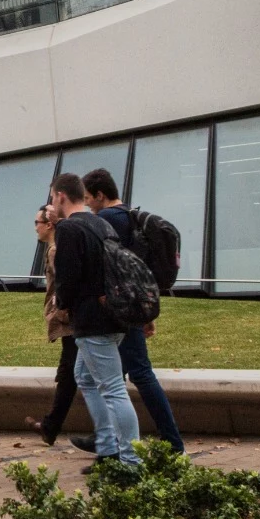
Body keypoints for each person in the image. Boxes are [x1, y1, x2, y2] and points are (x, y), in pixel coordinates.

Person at [69, 168, 185, 456]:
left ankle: (169, 444)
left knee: (136, 375)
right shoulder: (129, 217)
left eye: (88, 198)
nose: (87, 205)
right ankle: (109, 440)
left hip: (118, 310)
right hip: (132, 305)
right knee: (113, 376)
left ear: (100, 195)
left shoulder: (107, 219)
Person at [51, 171, 141, 471]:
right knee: (86, 377)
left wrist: (62, 306)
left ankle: (129, 461)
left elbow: (68, 278)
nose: (53, 203)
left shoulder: (68, 229)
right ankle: (107, 448)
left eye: (53, 197)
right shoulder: (101, 223)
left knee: (114, 388)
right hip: (115, 317)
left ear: (62, 196)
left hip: (91, 321)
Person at [28, 201, 79, 446]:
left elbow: (64, 284)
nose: (35, 228)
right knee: (69, 375)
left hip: (71, 322)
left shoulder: (55, 250)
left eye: (37, 223)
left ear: (49, 225)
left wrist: (59, 310)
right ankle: (50, 426)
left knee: (70, 375)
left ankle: (51, 426)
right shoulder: (54, 249)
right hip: (69, 322)